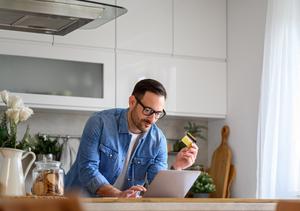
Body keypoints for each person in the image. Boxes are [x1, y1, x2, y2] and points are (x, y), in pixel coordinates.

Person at [65, 79, 198, 197]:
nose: (152, 120)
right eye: (147, 110)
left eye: (157, 113)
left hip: (121, 206)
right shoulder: (99, 123)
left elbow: (157, 187)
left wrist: (177, 167)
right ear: (132, 102)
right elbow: (88, 170)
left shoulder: (158, 140)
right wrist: (119, 194)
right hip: (78, 203)